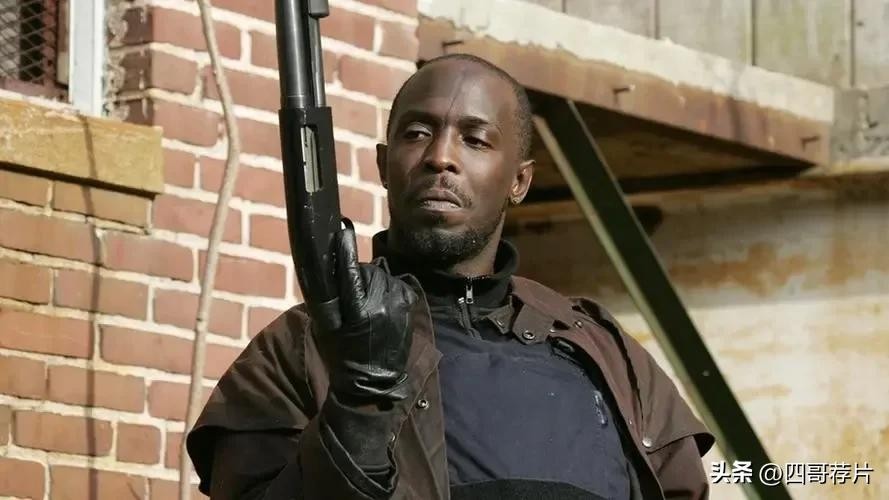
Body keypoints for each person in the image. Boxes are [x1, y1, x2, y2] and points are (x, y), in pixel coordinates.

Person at [187, 53, 714, 500]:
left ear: (520, 181)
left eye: (475, 140)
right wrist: (357, 406)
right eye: (418, 133)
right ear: (383, 164)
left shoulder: (604, 351)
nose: (441, 157)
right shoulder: (300, 347)